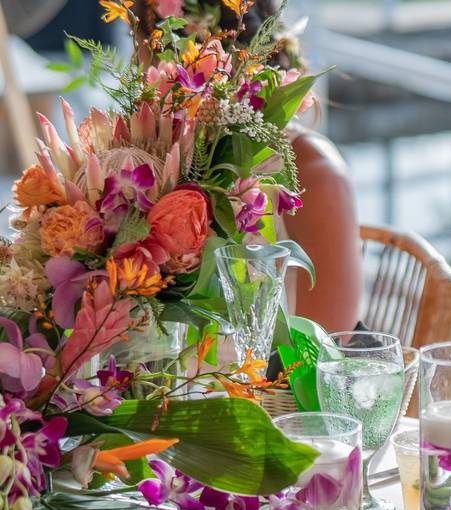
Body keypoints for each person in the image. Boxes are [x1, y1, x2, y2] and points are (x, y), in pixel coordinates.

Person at [133, 0, 363, 333]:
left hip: (277, 382)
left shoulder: (316, 174)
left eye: (144, 47)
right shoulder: (154, 163)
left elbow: (327, 354)